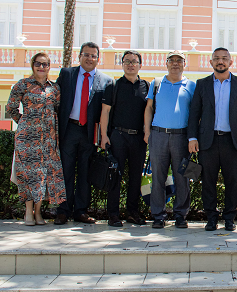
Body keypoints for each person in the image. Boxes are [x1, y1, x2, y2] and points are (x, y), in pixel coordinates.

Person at [188, 47, 237, 231]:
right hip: (207, 141)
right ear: (211, 62)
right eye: (216, 58)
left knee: (232, 180)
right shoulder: (202, 84)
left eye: (224, 58)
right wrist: (192, 137)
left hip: (232, 141)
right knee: (208, 181)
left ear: (230, 62)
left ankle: (230, 218)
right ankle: (211, 217)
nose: (220, 61)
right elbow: (194, 113)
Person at [55, 42, 113, 225]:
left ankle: (81, 211)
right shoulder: (66, 75)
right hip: (69, 130)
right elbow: (55, 101)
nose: (90, 58)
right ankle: (63, 210)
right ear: (79, 56)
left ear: (98, 59)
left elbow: (106, 112)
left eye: (93, 56)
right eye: (86, 55)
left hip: (89, 132)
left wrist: (104, 135)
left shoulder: (106, 81)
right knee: (66, 171)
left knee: (85, 173)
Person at [6, 53, 67, 226]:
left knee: (43, 175)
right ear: (33, 65)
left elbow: (57, 109)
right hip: (27, 139)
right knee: (29, 174)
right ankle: (28, 212)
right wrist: (24, 122)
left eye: (45, 64)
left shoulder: (54, 89)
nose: (41, 67)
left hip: (48, 139)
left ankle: (39, 212)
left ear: (49, 67)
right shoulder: (23, 85)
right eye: (38, 64)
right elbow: (11, 107)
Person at [144, 51, 196, 229]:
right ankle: (158, 215)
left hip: (181, 137)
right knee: (158, 176)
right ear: (166, 63)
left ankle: (181, 215)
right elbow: (149, 108)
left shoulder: (191, 85)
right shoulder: (157, 83)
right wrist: (147, 131)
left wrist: (192, 137)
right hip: (158, 135)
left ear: (184, 64)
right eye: (171, 61)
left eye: (179, 61)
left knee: (182, 177)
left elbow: (195, 114)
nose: (175, 64)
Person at [100, 50, 149, 227]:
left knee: (136, 177)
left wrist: (148, 133)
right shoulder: (113, 86)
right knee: (115, 177)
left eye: (134, 61)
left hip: (138, 139)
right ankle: (113, 214)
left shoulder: (147, 86)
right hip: (117, 136)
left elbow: (150, 111)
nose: (130, 64)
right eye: (127, 61)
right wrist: (104, 136)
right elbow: (105, 112)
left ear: (140, 65)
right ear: (122, 64)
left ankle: (132, 212)